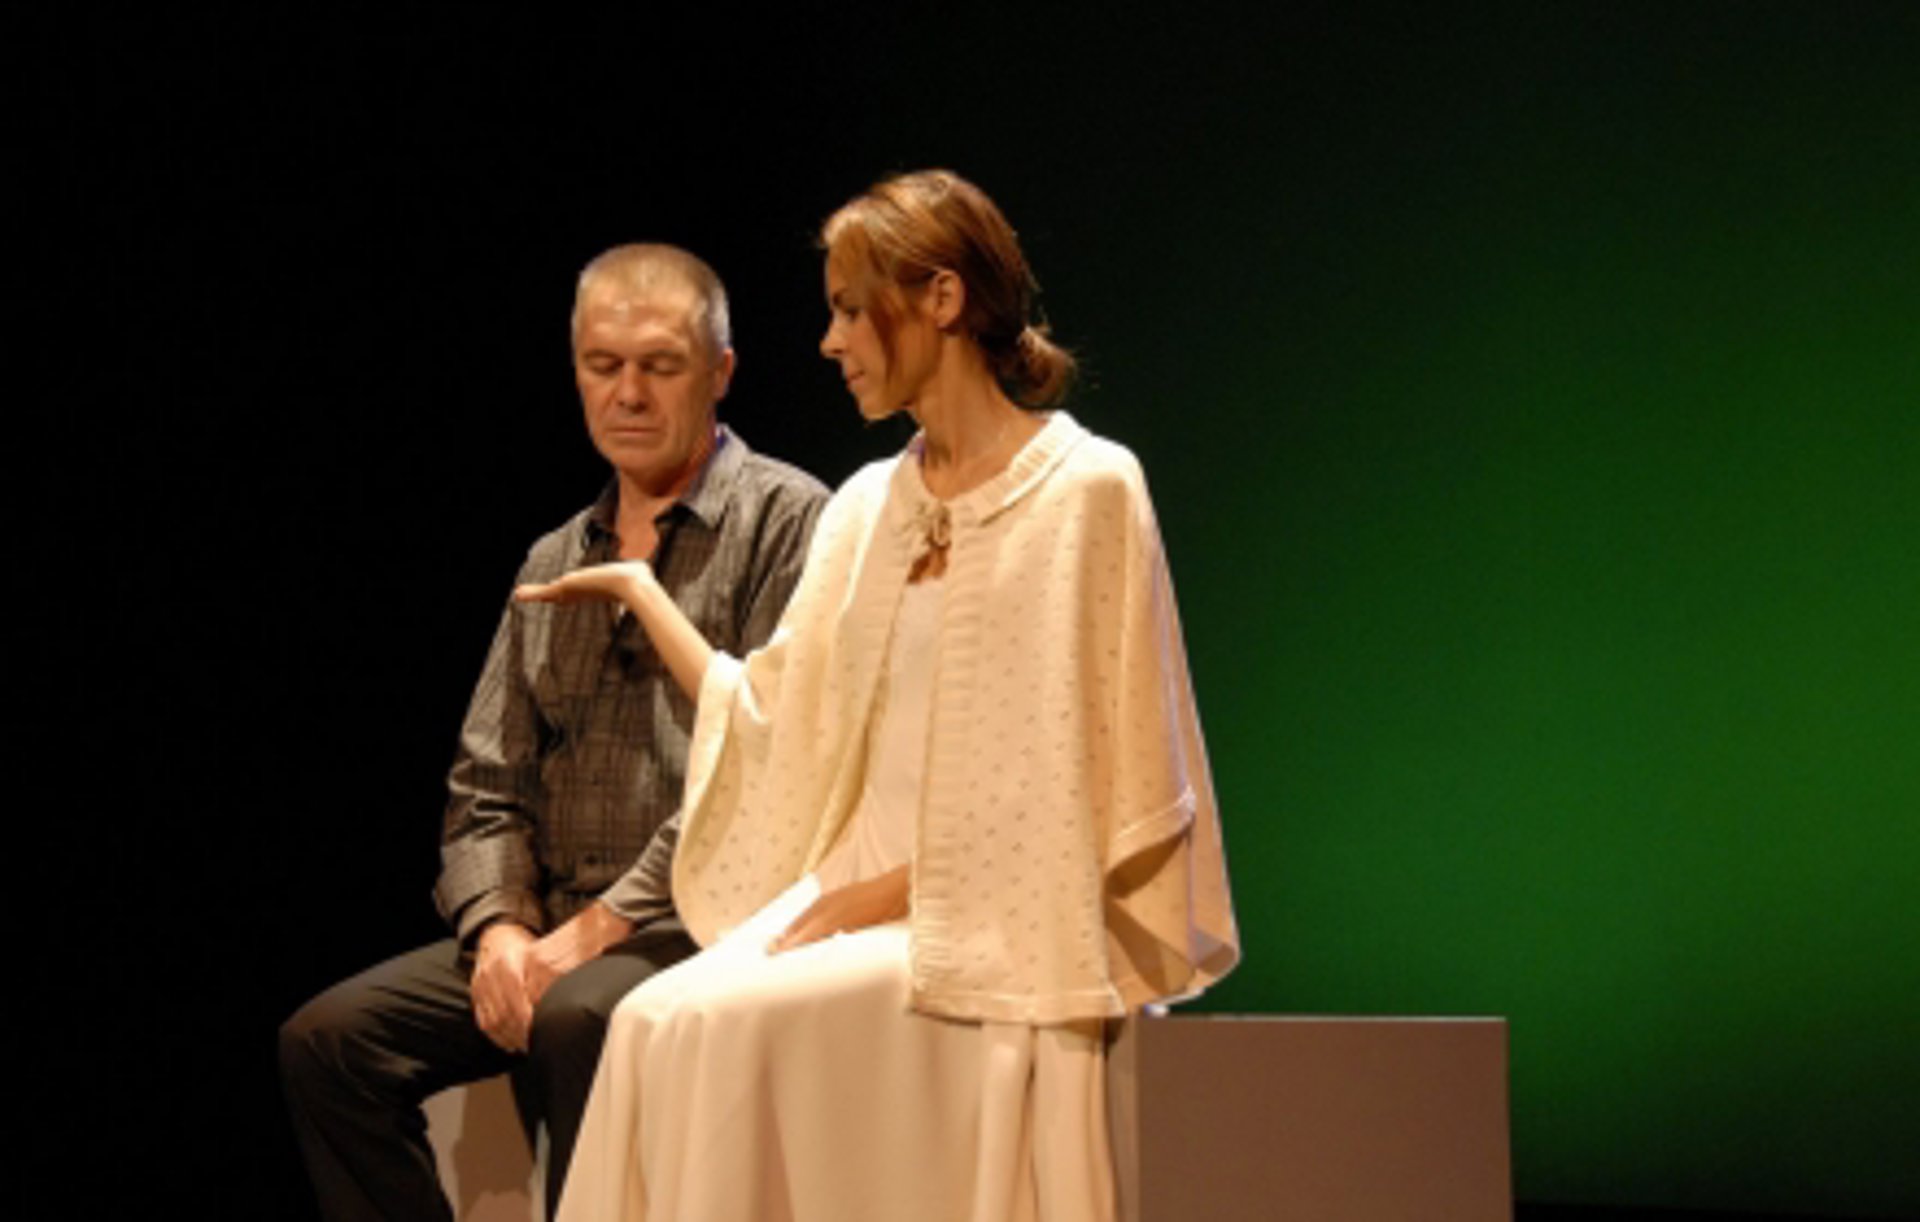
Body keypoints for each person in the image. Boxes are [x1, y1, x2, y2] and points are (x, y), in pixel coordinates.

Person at [527, 171, 1239, 1222]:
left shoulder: (1087, 490)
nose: (830, 340)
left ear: (942, 299)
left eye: (851, 310)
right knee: (645, 1023)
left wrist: (883, 895)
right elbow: (773, 715)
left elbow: (1099, 783)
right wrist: (645, 592)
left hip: (999, 923)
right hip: (852, 886)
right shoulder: (870, 504)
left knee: (707, 1027)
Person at [278, 243, 829, 1222]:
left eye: (659, 366)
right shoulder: (551, 557)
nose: (628, 393)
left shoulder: (789, 522)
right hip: (552, 926)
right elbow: (486, 780)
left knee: (576, 1017)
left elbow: (762, 769)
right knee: (329, 1043)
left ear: (720, 372)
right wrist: (499, 929)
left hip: (697, 923)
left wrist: (595, 928)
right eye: (602, 365)